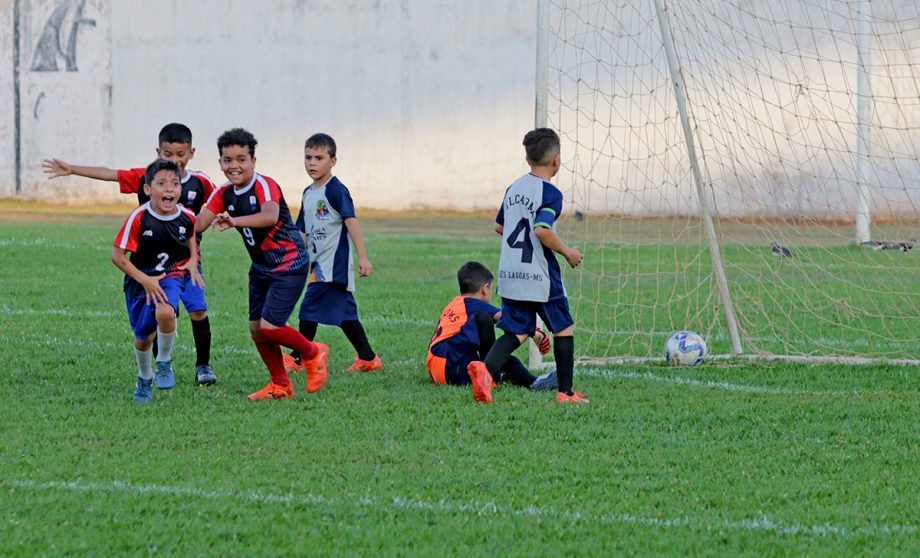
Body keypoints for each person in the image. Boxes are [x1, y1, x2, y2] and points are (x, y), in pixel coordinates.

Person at [43, 123, 218, 386]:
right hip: (151, 265)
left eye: (180, 155)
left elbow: (220, 201)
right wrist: (73, 169)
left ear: (191, 153)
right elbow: (111, 174)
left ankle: (203, 365)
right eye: (167, 155)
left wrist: (229, 218)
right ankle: (163, 366)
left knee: (198, 311)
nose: (174, 160)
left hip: (187, 263)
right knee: (162, 312)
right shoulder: (145, 176)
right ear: (158, 152)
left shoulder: (201, 181)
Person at [196, 128, 329, 400]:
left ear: (253, 161)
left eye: (241, 159)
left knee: (271, 326)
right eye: (227, 160)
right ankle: (280, 384)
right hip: (260, 267)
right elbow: (198, 223)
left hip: (290, 263)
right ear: (220, 163)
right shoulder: (223, 192)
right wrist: (170, 213)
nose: (234, 166)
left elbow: (269, 216)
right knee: (257, 328)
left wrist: (235, 221)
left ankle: (314, 352)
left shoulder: (264, 185)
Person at [467, 128, 587, 404]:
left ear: (527, 158)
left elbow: (500, 226)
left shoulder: (514, 188)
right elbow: (542, 229)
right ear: (556, 160)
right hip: (540, 275)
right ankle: (566, 393)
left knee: (517, 331)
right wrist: (568, 252)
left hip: (511, 273)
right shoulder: (550, 193)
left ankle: (485, 371)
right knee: (563, 328)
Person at [283, 133, 381, 373]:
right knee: (347, 315)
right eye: (308, 157)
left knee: (308, 308)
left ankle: (298, 357)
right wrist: (292, 256)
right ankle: (368, 358)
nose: (312, 163)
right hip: (317, 265)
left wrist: (363, 257)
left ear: (333, 161)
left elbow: (351, 222)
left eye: (319, 157)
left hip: (333, 265)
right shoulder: (308, 193)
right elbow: (303, 232)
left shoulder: (336, 190)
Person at [111, 159, 203, 402]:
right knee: (143, 339)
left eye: (174, 184)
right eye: (161, 183)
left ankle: (163, 362)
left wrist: (194, 259)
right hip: (139, 282)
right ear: (147, 189)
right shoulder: (139, 218)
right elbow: (118, 257)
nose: (169, 189)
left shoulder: (187, 216)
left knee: (165, 312)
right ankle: (144, 377)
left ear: (180, 190)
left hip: (172, 275)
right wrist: (145, 281)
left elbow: (191, 236)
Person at [427, 261, 556, 391]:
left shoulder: (452, 305)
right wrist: (537, 333)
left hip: (436, 368)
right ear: (485, 288)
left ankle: (500, 375)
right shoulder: (475, 304)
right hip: (452, 369)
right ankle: (530, 382)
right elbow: (511, 321)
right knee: (488, 326)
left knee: (489, 336)